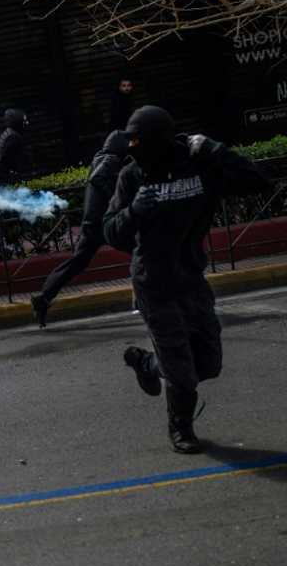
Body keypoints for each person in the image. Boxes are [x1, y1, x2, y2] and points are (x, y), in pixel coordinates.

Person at [104, 106, 270, 454]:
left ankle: (147, 362)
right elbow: (111, 232)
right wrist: (134, 211)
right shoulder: (131, 176)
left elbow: (259, 182)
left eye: (138, 139)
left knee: (208, 363)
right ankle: (181, 429)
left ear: (158, 140)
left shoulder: (198, 164)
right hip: (153, 283)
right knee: (181, 370)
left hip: (191, 279)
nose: (132, 146)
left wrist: (214, 149)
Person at [31, 129, 129, 327]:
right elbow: (98, 179)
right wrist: (116, 200)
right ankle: (149, 298)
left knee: (76, 263)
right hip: (103, 224)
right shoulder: (110, 160)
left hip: (92, 223)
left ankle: (43, 298)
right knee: (140, 249)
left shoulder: (101, 158)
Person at [0, 108, 30, 185]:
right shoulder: (13, 137)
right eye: (24, 121)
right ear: (17, 121)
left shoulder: (10, 133)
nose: (27, 123)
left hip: (1, 175)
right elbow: (6, 159)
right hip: (2, 178)